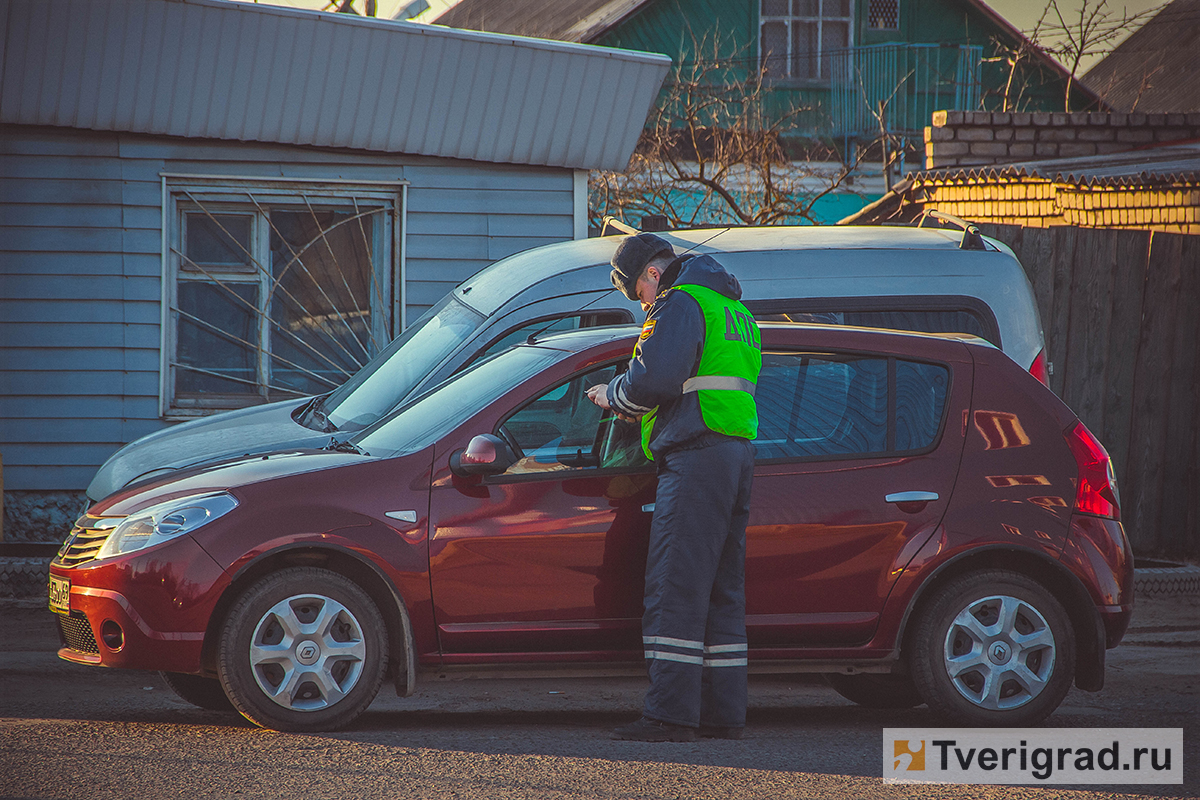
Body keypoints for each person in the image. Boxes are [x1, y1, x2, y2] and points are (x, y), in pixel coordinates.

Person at [586, 232, 761, 742]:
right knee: (721, 592)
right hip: (735, 453)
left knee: (675, 588)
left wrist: (609, 395)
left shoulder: (679, 304)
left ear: (653, 274)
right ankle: (721, 713)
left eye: (637, 292)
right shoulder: (732, 308)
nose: (641, 303)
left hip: (696, 455)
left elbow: (652, 382)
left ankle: (669, 715)